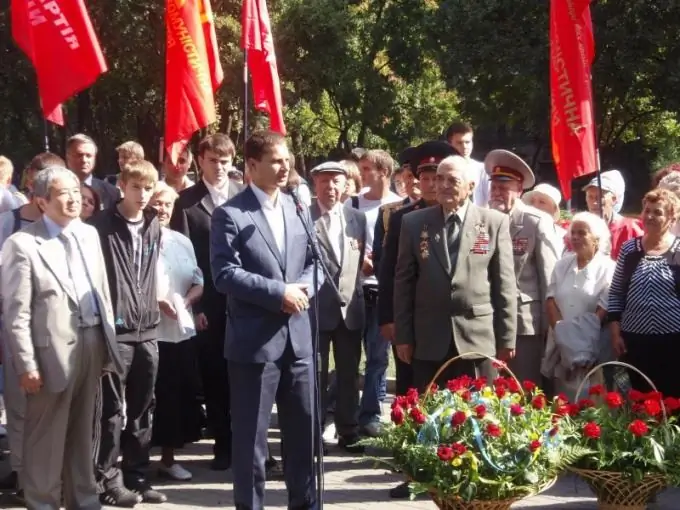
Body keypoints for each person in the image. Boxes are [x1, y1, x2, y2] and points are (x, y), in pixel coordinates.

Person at [210, 130, 322, 510]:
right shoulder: (231, 213)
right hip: (255, 345)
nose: (284, 166)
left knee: (303, 437)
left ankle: (304, 504)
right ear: (252, 166)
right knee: (251, 445)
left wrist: (303, 289)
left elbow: (314, 262)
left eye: (286, 159)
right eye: (275, 160)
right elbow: (224, 273)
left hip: (300, 341)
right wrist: (279, 294)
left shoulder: (297, 207)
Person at [1, 166, 123, 510]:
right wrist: (26, 364)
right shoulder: (23, 245)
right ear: (41, 201)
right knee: (45, 439)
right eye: (63, 193)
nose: (73, 199)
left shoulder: (87, 235)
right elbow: (17, 313)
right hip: (48, 354)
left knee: (83, 433)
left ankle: (84, 500)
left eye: (75, 190)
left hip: (91, 345)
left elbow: (101, 291)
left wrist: (107, 347)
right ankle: (41, 502)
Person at [393, 154, 516, 387]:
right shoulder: (414, 223)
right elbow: (403, 284)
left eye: (452, 180)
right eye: (439, 179)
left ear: (470, 186)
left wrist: (507, 338)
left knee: (478, 414)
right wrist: (403, 336)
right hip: (429, 340)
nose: (443, 186)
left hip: (476, 339)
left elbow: (505, 284)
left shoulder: (493, 223)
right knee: (430, 416)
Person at [380, 140, 458, 500]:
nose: (431, 183)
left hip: (456, 329)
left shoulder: (468, 216)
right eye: (425, 176)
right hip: (411, 326)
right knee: (414, 398)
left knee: (457, 400)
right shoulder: (401, 219)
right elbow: (389, 274)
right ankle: (415, 469)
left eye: (438, 175)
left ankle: (456, 465)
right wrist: (390, 320)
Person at [90, 159, 166, 507]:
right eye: (136, 187)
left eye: (148, 188)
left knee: (142, 408)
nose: (142, 194)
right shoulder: (101, 226)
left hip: (147, 330)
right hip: (116, 333)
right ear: (122, 185)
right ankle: (107, 478)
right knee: (110, 409)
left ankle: (137, 475)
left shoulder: (153, 224)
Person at [169, 134, 242, 471]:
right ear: (200, 161)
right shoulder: (185, 203)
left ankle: (251, 447)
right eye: (213, 160)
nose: (220, 167)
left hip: (244, 302)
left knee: (245, 376)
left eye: (225, 160)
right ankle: (224, 446)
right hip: (208, 305)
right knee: (214, 377)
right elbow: (183, 261)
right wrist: (194, 307)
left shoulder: (245, 197)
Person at [0, 152, 66, 500]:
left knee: (54, 410)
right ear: (31, 184)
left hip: (61, 337)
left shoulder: (71, 230)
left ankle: (52, 480)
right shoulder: (7, 225)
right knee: (20, 407)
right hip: (17, 334)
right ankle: (26, 480)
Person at [486, 149, 559, 384]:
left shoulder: (535, 222)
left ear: (519, 189)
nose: (497, 194)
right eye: (494, 188)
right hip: (488, 320)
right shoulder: (481, 220)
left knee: (524, 391)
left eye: (504, 188)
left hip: (524, 324)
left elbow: (549, 278)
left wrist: (552, 328)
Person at [309, 161, 366, 454]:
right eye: (324, 181)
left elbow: (357, 266)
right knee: (315, 375)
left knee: (348, 373)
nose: (330, 187)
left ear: (346, 185)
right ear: (315, 184)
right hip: (316, 311)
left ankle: (348, 430)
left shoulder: (357, 218)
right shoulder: (304, 216)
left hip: (350, 311)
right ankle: (314, 432)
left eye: (336, 182)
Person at [345, 149, 402, 437]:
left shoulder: (399, 206)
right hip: (356, 289)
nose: (362, 174)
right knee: (350, 355)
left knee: (378, 357)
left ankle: (370, 414)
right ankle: (346, 414)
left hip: (383, 290)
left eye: (367, 169)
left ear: (384, 172)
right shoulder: (353, 204)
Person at [150, 182, 203, 481]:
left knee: (176, 398)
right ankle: (134, 462)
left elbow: (198, 278)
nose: (162, 209)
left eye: (167, 204)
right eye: (157, 202)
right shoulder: (137, 238)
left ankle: (169, 458)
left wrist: (191, 297)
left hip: (181, 331)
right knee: (148, 400)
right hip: (149, 332)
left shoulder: (182, 241)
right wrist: (155, 301)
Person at [608, 188, 680, 398]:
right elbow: (616, 293)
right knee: (639, 399)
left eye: (657, 212)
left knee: (672, 398)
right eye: (647, 210)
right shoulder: (629, 250)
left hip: (673, 341)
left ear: (671, 218)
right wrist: (615, 331)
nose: (649, 216)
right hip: (635, 341)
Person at [542, 212, 614, 400]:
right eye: (573, 232)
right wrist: (564, 339)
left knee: (592, 406)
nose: (575, 237)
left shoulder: (609, 268)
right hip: (561, 350)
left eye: (582, 233)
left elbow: (601, 312)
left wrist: (578, 348)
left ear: (596, 239)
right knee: (563, 406)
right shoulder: (561, 265)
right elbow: (551, 302)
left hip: (592, 351)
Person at [582, 169, 643, 260]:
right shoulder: (581, 227)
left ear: (614, 199)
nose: (594, 203)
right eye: (590, 197)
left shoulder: (630, 228)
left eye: (599, 197)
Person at [65, 134, 121, 209]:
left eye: (88, 156)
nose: (84, 160)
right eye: (79, 155)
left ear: (94, 158)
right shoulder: (54, 190)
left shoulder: (111, 193)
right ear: (68, 157)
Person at [445, 121, 489, 207]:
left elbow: (489, 200)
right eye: (459, 143)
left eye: (468, 142)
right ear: (450, 144)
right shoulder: (442, 171)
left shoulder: (483, 170)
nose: (465, 147)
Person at [522, 183, 567, 255]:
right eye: (532, 201)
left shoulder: (564, 237)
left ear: (554, 209)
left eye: (542, 202)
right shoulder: (518, 232)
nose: (535, 206)